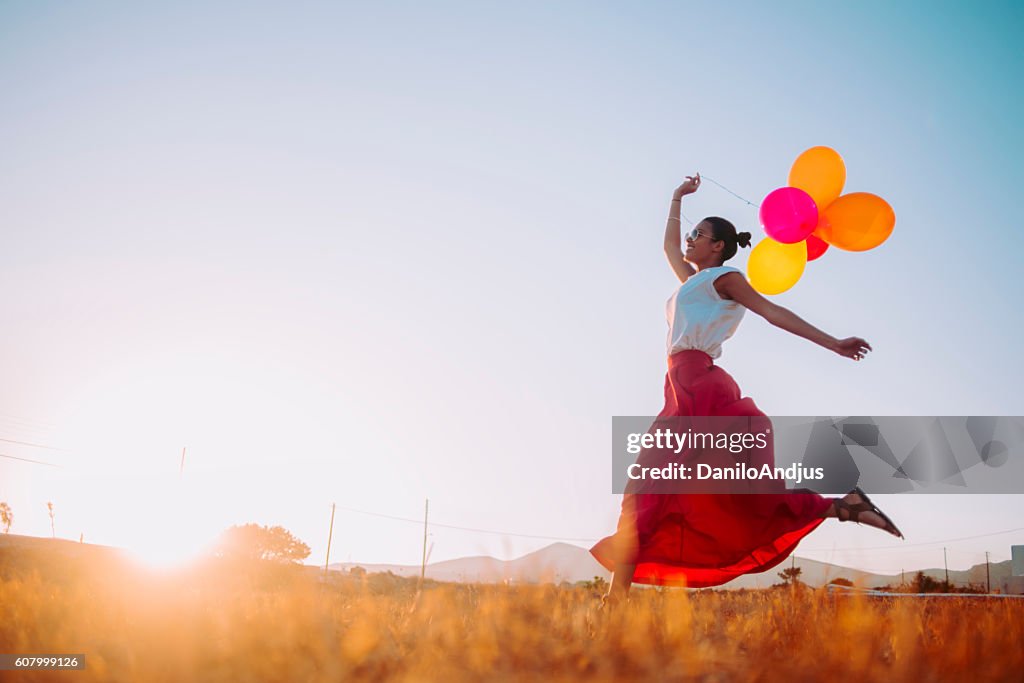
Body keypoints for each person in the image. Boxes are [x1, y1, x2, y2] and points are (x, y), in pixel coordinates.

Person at [590, 173, 903, 605]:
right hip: (679, 387)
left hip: (702, 388)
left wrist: (832, 343)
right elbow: (667, 247)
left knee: (672, 489)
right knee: (660, 490)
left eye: (698, 235)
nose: (689, 240)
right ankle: (840, 506)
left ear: (717, 246)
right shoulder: (690, 281)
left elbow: (773, 312)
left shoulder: (726, 279)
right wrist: (677, 197)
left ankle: (613, 602)